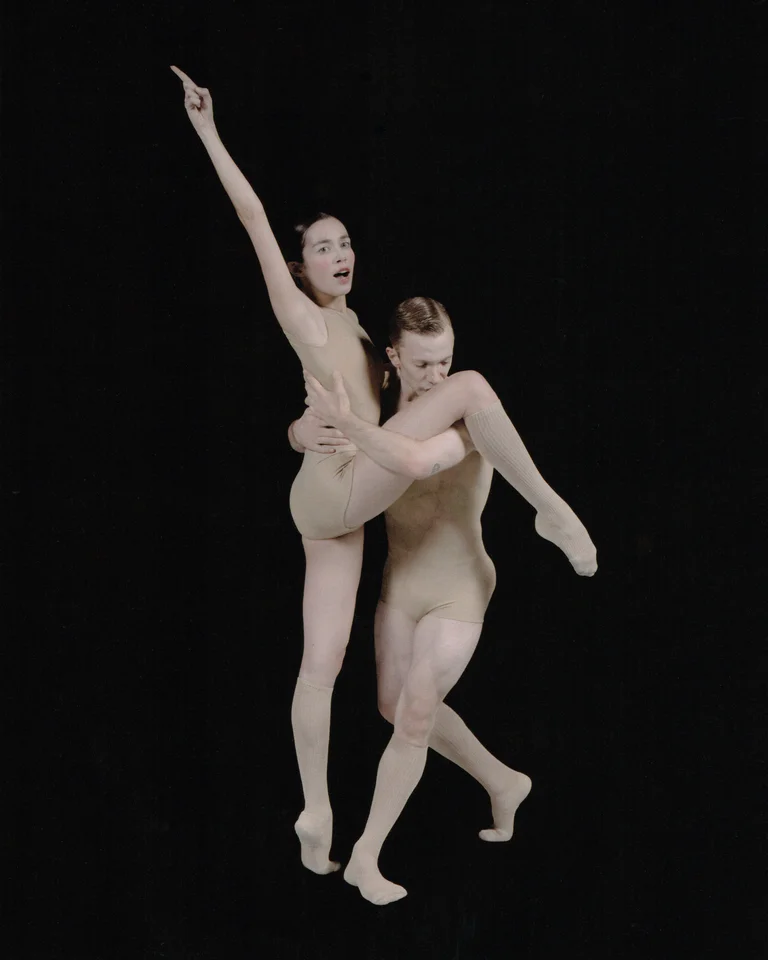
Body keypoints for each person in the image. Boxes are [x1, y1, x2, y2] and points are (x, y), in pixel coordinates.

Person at [171, 67, 596, 878]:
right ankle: (549, 511)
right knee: (468, 392)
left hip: (328, 505)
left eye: (345, 243)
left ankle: (316, 810)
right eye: (322, 248)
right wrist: (208, 132)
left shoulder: (361, 326)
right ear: (298, 268)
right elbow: (252, 217)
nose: (339, 254)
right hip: (342, 489)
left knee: (321, 664)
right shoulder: (301, 314)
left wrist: (303, 429)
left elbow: (348, 409)